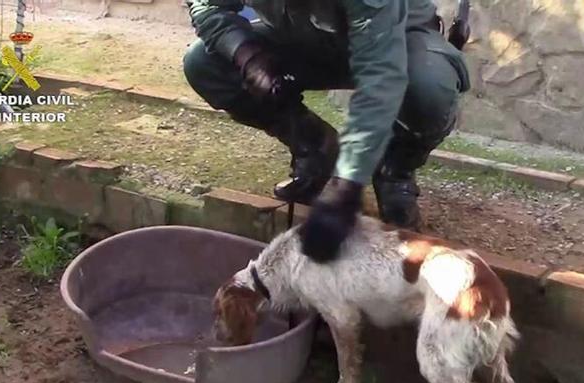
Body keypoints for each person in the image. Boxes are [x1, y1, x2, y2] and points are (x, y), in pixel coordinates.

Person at [182, 0, 470, 262]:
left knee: (430, 88)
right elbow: (206, 5)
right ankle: (316, 148)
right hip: (306, 40)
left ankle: (395, 171)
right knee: (204, 63)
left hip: (397, 39)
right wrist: (249, 56)